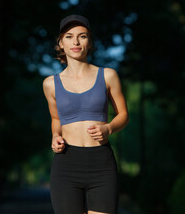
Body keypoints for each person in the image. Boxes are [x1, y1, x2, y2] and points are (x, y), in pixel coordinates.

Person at [43, 14, 129, 214]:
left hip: (101, 163)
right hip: (66, 163)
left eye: (82, 36)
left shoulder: (108, 75)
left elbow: (123, 114)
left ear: (89, 42)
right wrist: (55, 136)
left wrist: (108, 127)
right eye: (69, 36)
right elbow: (56, 119)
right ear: (61, 43)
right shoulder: (50, 84)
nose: (75, 41)